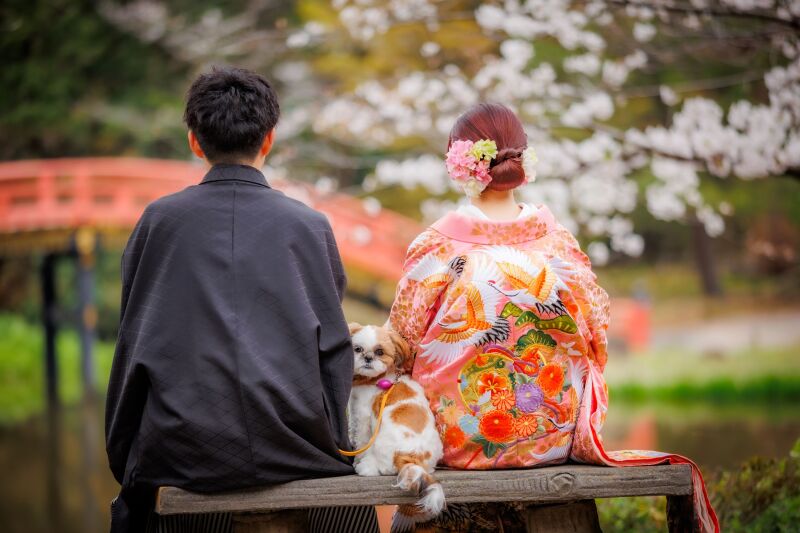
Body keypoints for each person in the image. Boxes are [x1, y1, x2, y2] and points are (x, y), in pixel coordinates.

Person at [388, 103, 719, 532]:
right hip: (550, 437)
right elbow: (597, 330)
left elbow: (402, 343)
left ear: (458, 164)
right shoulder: (557, 243)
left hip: (461, 442)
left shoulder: (437, 247)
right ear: (522, 158)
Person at [105, 66, 362, 533]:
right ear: (269, 140)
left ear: (194, 141)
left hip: (181, 451)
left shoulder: (158, 222)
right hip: (296, 447)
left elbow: (134, 342)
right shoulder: (308, 227)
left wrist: (125, 455)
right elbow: (333, 349)